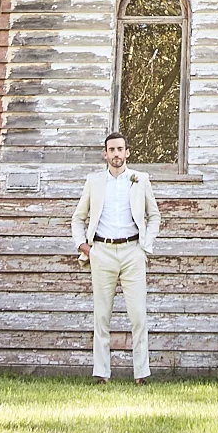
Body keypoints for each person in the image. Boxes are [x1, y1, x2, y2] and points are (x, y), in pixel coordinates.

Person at [70, 131, 162, 383]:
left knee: (138, 315)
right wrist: (84, 246)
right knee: (101, 316)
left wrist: (145, 246)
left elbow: (154, 215)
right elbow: (78, 218)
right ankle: (101, 373)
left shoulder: (140, 179)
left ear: (127, 152)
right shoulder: (94, 181)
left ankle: (141, 374)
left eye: (120, 149)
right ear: (105, 154)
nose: (116, 154)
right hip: (102, 251)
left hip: (133, 251)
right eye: (111, 150)